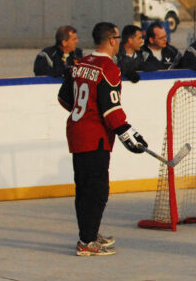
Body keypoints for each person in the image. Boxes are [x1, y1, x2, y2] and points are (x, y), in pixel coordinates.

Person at [56, 22, 148, 256]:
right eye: (117, 37)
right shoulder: (109, 68)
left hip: (77, 133)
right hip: (94, 136)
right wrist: (128, 134)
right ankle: (86, 242)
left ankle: (88, 233)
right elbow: (111, 109)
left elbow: (64, 99)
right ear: (111, 40)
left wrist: (85, 113)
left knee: (84, 188)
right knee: (97, 191)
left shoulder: (81, 64)